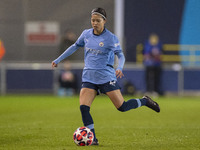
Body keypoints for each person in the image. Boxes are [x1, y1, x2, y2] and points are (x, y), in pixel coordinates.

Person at [52, 8, 160, 145]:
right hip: (89, 77)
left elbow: (120, 55)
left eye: (98, 20)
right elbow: (74, 46)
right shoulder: (86, 34)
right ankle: (94, 139)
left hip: (106, 77)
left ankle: (145, 101)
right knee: (84, 108)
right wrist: (58, 60)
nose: (95, 23)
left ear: (104, 21)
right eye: (93, 20)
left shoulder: (110, 38)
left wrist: (119, 67)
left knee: (122, 107)